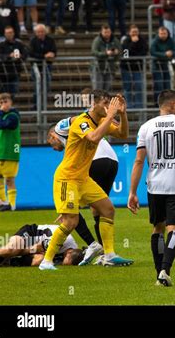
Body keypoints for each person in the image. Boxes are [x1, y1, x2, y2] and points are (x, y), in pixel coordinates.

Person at [38, 91, 132, 270]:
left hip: (83, 178)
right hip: (67, 178)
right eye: (105, 104)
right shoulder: (81, 122)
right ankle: (46, 261)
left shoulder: (101, 120)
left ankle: (109, 254)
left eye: (109, 104)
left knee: (108, 209)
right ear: (94, 104)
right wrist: (111, 115)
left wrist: (122, 114)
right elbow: (94, 137)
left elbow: (123, 134)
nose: (108, 107)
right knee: (70, 222)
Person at [128, 89, 175, 286]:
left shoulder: (146, 127)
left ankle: (158, 273)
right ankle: (165, 270)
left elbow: (138, 161)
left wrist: (132, 192)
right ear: (171, 105)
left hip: (154, 185)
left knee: (158, 228)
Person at [0, 224, 84, 267]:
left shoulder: (74, 251)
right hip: (31, 234)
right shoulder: (60, 242)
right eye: (65, 259)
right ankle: (6, 256)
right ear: (69, 253)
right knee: (12, 250)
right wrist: (15, 253)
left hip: (40, 247)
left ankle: (8, 262)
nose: (62, 262)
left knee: (39, 260)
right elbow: (36, 248)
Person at [0, 93, 19, 211]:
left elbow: (4, 125)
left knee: (9, 180)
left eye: (5, 102)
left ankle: (12, 205)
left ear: (11, 102)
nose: (3, 105)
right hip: (0, 152)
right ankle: (3, 203)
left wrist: (0, 112)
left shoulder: (13, 116)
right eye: (0, 102)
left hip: (10, 152)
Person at [29, 24, 57, 108]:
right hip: (36, 67)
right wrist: (44, 56)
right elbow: (31, 54)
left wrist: (52, 54)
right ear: (36, 33)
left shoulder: (50, 40)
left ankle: (43, 105)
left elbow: (54, 51)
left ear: (45, 32)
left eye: (42, 31)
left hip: (47, 66)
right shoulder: (33, 41)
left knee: (46, 87)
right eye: (38, 32)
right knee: (36, 88)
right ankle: (36, 106)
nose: (40, 33)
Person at [121, 25, 148, 109]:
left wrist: (134, 53)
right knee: (127, 87)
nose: (135, 34)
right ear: (129, 33)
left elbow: (143, 52)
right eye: (133, 32)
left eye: (136, 32)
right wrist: (133, 43)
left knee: (139, 87)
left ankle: (139, 106)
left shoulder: (142, 40)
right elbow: (125, 54)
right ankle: (128, 106)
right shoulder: (125, 40)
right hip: (126, 67)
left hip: (138, 68)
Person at [150, 26, 175, 106]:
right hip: (156, 65)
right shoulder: (155, 41)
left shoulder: (170, 40)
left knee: (167, 84)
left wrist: (172, 53)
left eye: (165, 33)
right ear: (158, 34)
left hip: (166, 64)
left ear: (167, 33)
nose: (163, 35)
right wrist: (165, 54)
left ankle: (167, 102)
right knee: (158, 85)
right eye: (161, 33)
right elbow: (152, 52)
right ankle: (157, 103)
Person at [91, 24, 121, 91]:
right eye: (105, 32)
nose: (107, 34)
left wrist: (117, 53)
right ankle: (97, 101)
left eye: (108, 32)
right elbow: (94, 52)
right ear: (101, 32)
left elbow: (121, 51)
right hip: (98, 67)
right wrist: (105, 53)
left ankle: (104, 101)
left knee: (106, 90)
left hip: (110, 68)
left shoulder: (115, 40)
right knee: (98, 90)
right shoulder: (97, 40)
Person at [0, 26, 27, 96]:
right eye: (7, 33)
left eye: (10, 32)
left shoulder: (19, 44)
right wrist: (9, 56)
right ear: (5, 34)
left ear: (13, 33)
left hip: (15, 72)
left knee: (14, 92)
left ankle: (10, 106)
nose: (9, 34)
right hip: (3, 73)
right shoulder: (1, 45)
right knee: (3, 94)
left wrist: (20, 56)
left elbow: (25, 54)